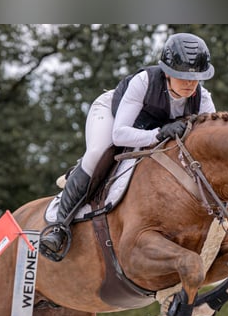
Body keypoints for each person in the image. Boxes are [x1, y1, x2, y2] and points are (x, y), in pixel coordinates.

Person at [40, 32, 217, 258]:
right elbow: (120, 136)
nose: (190, 83)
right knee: (97, 153)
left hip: (147, 130)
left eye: (196, 77)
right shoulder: (144, 82)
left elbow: (207, 147)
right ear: (166, 72)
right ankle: (59, 228)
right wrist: (159, 133)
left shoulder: (203, 100)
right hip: (113, 116)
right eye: (181, 76)